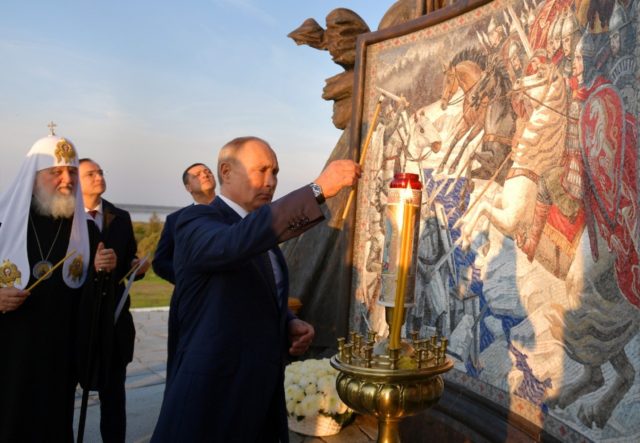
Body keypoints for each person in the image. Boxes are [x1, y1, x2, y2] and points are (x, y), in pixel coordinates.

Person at [151, 136, 360, 442]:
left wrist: (288, 322)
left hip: (258, 397)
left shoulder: (262, 237)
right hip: (213, 398)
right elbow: (231, 245)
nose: (270, 181)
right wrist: (316, 191)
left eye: (275, 172)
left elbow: (255, 289)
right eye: (261, 170)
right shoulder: (194, 220)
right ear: (226, 171)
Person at [0, 131, 117, 441]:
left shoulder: (86, 233)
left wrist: (102, 272)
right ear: (34, 178)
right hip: (8, 355)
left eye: (72, 172)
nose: (67, 180)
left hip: (57, 359)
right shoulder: (3, 222)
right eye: (56, 172)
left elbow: (92, 299)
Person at [79, 158, 150, 442]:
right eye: (90, 173)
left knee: (114, 397)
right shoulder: (65, 218)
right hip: (78, 318)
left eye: (100, 172)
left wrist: (137, 265)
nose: (99, 177)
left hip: (115, 317)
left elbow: (127, 260)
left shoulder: (120, 217)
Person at [152, 163, 216, 284]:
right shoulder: (174, 220)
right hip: (193, 297)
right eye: (197, 175)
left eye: (208, 172)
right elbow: (160, 262)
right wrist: (186, 280)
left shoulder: (233, 212)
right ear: (188, 188)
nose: (205, 175)